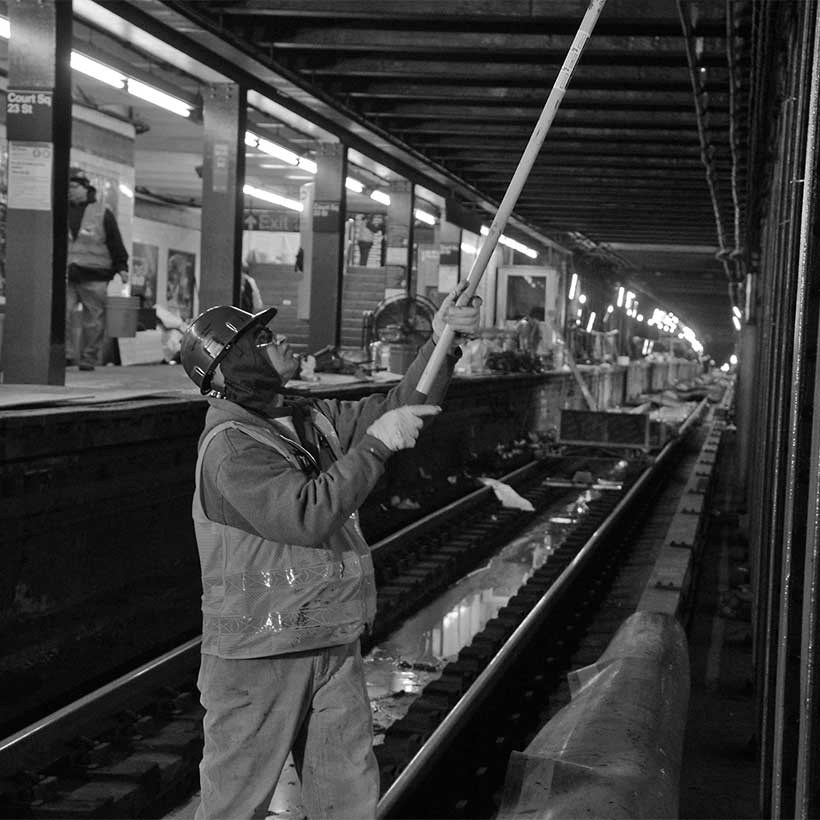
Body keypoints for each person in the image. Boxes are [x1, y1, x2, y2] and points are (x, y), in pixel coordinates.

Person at [179, 280, 481, 820]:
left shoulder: (306, 419)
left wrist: (442, 342)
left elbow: (402, 406)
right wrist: (377, 444)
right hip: (259, 655)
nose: (281, 341)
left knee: (347, 798)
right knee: (235, 803)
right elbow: (308, 513)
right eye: (263, 338)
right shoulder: (231, 447)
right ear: (236, 364)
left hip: (330, 639)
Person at [66, 167, 129, 370]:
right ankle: (64, 355)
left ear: (86, 188)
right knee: (61, 314)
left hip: (95, 275)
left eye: (74, 186)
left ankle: (88, 358)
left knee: (93, 320)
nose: (70, 190)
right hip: (68, 274)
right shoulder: (62, 210)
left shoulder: (102, 212)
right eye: (68, 186)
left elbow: (115, 242)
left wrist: (122, 267)